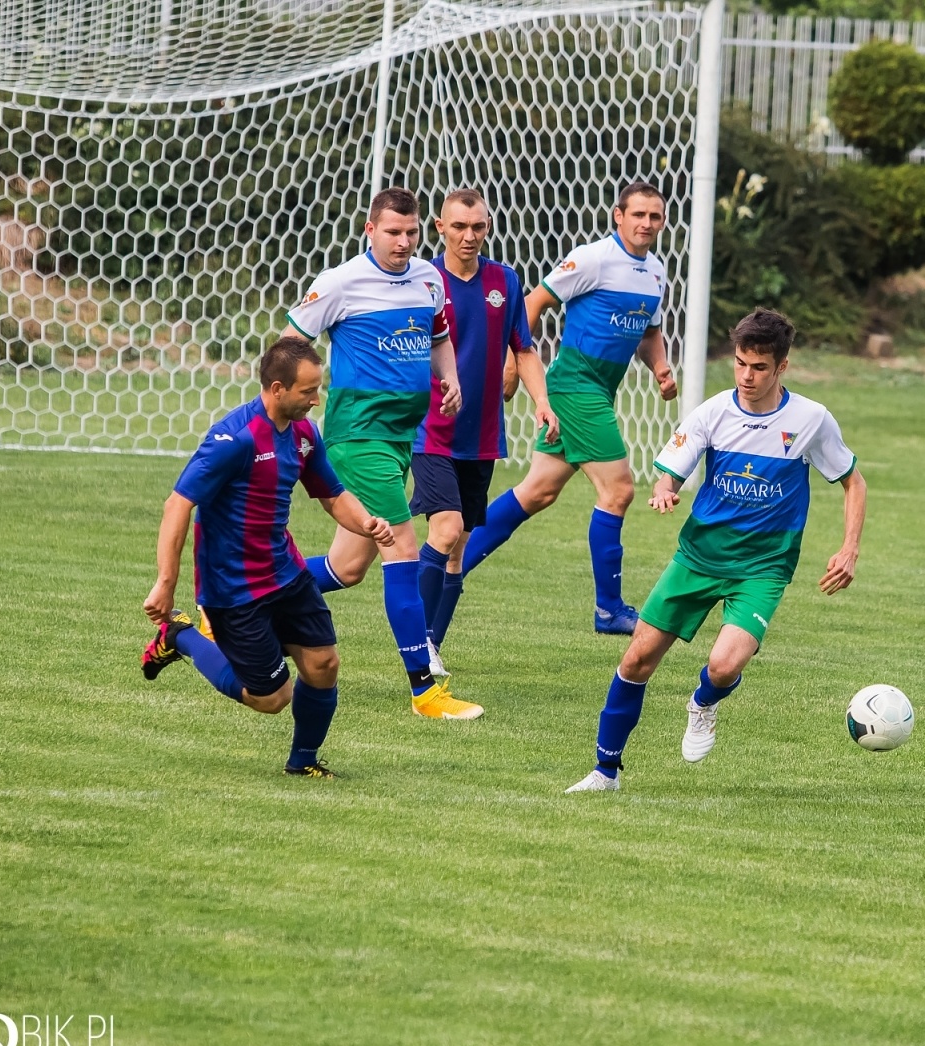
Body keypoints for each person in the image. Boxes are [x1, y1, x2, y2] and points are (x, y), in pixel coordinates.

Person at [566, 309, 867, 792]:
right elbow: (672, 468)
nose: (747, 376)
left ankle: (703, 701)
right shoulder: (713, 411)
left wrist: (849, 548)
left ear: (782, 367)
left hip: (763, 568)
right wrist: (665, 488)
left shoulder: (811, 420)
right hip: (699, 557)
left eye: (760, 368)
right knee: (636, 661)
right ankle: (605, 771)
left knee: (725, 665)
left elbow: (854, 482)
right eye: (741, 364)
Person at [140, 337, 394, 777]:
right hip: (234, 589)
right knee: (272, 699)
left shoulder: (303, 434)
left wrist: (367, 523)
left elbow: (331, 494)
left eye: (319, 389)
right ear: (277, 388)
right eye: (308, 391)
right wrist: (166, 581)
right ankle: (180, 635)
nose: (317, 400)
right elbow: (177, 504)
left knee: (324, 663)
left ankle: (303, 763)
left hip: (286, 573)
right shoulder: (233, 439)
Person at [284, 187, 484, 720]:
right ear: (369, 230)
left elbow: (438, 336)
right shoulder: (340, 282)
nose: (402, 242)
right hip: (358, 440)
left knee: (347, 568)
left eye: (411, 233)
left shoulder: (427, 279)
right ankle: (425, 691)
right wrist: (300, 396)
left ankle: (240, 600)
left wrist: (450, 377)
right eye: (392, 232)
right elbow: (290, 345)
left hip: (400, 441)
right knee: (403, 547)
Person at [460, 181, 678, 634]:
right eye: (638, 214)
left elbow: (649, 331)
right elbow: (532, 303)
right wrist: (512, 363)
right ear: (618, 216)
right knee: (618, 491)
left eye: (655, 216)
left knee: (538, 490)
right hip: (575, 387)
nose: (646, 223)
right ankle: (609, 610)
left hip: (600, 390)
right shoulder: (593, 258)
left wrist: (660, 367)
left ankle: (450, 566)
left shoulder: (656, 272)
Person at [411, 188, 559, 672]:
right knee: (446, 529)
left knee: (458, 550)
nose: (469, 236)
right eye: (459, 227)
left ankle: (430, 645)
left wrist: (542, 401)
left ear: (488, 226)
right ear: (440, 228)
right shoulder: (422, 280)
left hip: (482, 436)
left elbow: (525, 349)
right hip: (430, 430)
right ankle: (417, 645)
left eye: (478, 226)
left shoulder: (505, 280)